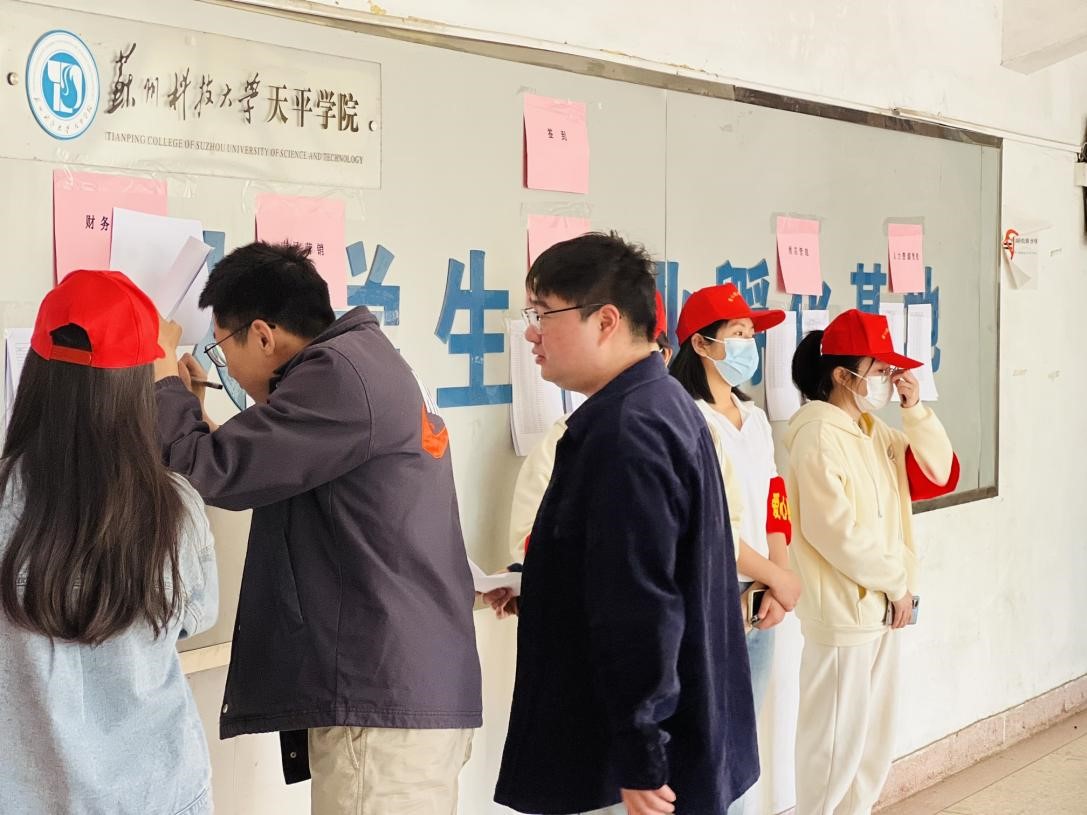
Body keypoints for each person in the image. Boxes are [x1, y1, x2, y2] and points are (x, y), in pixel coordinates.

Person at [154, 242, 482, 815]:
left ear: (262, 335)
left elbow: (209, 472)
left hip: (380, 704)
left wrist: (161, 380)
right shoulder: (364, 362)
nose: (225, 368)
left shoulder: (338, 375)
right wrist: (189, 412)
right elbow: (259, 461)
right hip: (401, 689)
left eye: (222, 348)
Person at [493, 232, 759, 815]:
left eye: (542, 314)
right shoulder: (654, 405)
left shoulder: (628, 431)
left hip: (628, 768)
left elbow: (641, 603)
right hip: (647, 746)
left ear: (606, 320)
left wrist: (640, 755)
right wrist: (537, 586)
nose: (531, 333)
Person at [0, 270, 218, 815]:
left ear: (36, 374)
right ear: (141, 389)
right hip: (160, 795)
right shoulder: (174, 507)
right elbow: (196, 615)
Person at [786, 309, 959, 815]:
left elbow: (939, 472)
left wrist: (915, 410)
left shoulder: (871, 432)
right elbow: (833, 531)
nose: (889, 378)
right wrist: (895, 583)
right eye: (879, 370)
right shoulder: (817, 436)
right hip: (845, 613)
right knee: (832, 750)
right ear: (844, 376)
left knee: (869, 749)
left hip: (882, 609)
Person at [669, 283, 803, 815]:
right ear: (702, 344)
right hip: (713, 595)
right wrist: (777, 577)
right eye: (739, 333)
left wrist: (778, 576)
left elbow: (774, 499)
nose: (750, 344)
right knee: (707, 748)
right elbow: (709, 522)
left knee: (742, 746)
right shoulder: (687, 416)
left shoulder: (755, 418)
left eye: (751, 333)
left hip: (762, 597)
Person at [500, 292, 672, 575]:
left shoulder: (688, 429)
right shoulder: (566, 436)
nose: (533, 335)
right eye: (536, 317)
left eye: (543, 317)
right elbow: (530, 543)